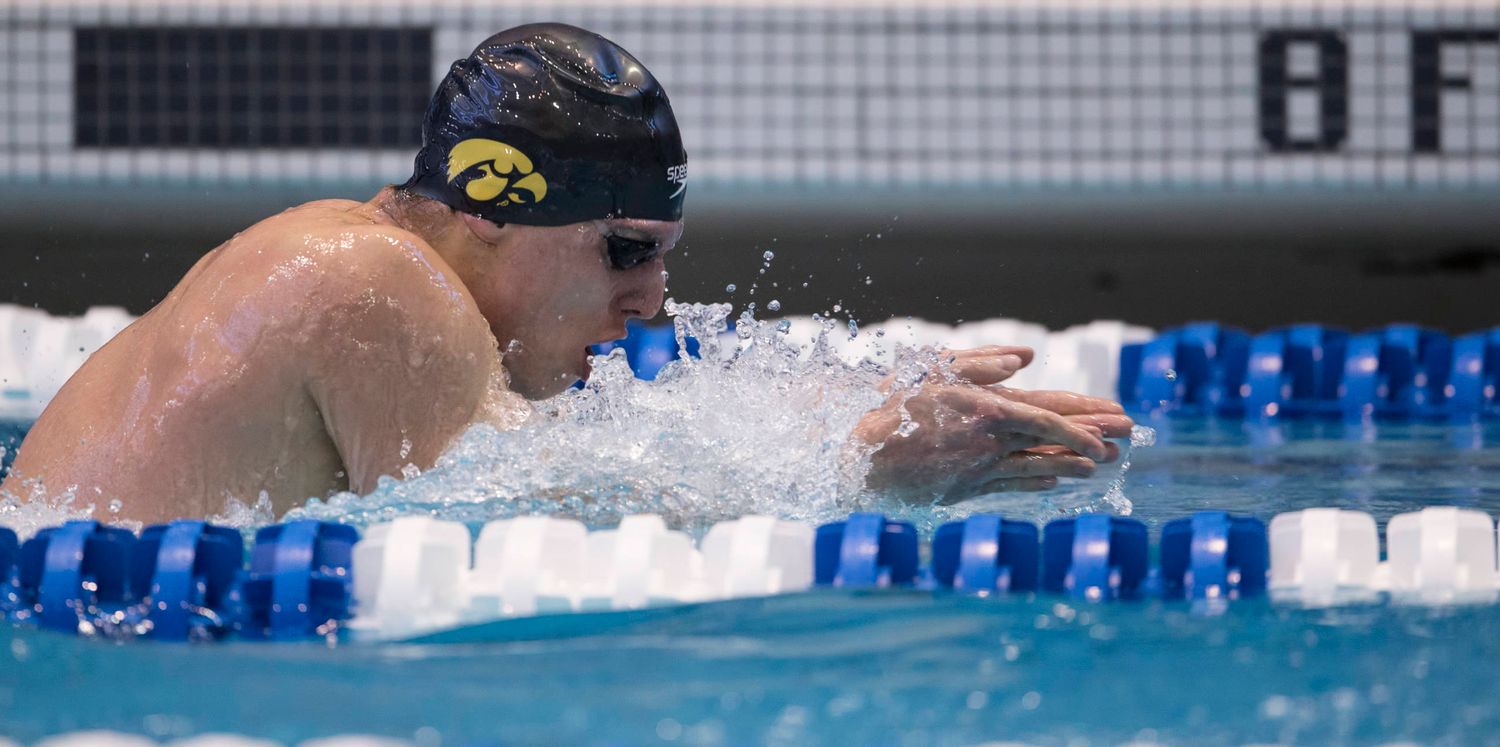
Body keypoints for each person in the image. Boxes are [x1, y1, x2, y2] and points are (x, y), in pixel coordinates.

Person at [0, 24, 1131, 524]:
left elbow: (582, 458)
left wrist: (855, 397)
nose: (649, 302)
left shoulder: (373, 263)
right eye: (624, 253)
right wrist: (861, 462)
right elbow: (520, 517)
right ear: (490, 206)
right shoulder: (364, 281)